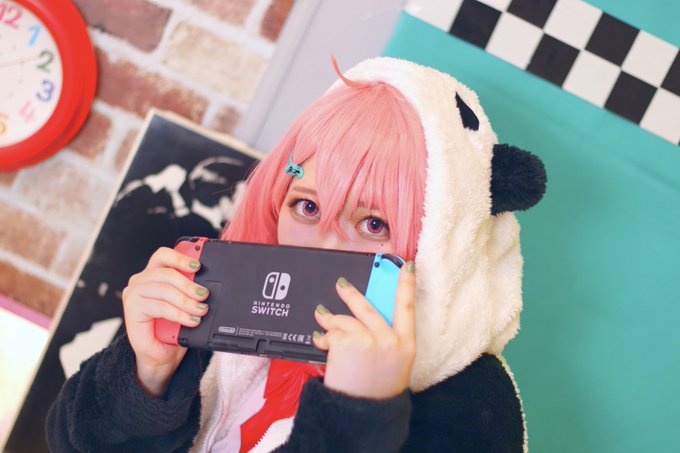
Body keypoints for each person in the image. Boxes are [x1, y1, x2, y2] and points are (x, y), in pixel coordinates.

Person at [46, 56, 546, 452]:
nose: (323, 246)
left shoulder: (472, 402)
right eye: (307, 206)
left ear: (441, 241)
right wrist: (146, 375)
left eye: (374, 224)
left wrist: (358, 412)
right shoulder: (224, 311)